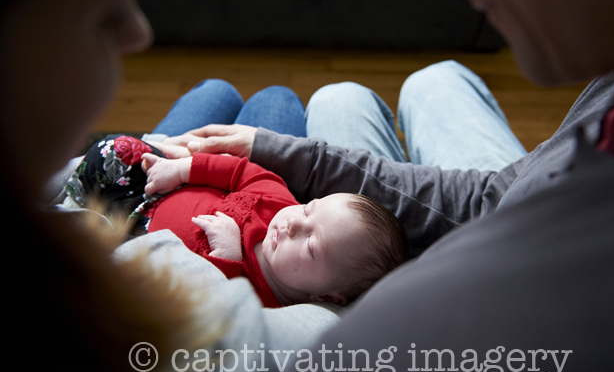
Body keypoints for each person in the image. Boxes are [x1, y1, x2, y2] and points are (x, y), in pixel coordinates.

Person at [159, 0, 614, 372]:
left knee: (335, 99)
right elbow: (497, 196)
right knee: (414, 82)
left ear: (334, 294)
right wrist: (273, 152)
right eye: (306, 209)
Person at [5, 0, 342, 372]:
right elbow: (322, 330)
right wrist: (186, 166)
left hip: (141, 177)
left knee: (215, 91)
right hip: (164, 177)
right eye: (100, 5)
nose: (140, 32)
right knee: (276, 100)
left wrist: (162, 156)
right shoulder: (197, 315)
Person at [63, 134, 408, 308]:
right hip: (156, 187)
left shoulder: (266, 304)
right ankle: (64, 189)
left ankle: (67, 205)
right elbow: (241, 170)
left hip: (133, 235)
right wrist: (181, 169)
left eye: (311, 245)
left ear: (330, 297)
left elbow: (219, 309)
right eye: (308, 209)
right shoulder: (277, 202)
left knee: (89, 233)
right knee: (118, 150)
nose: (292, 224)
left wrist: (228, 259)